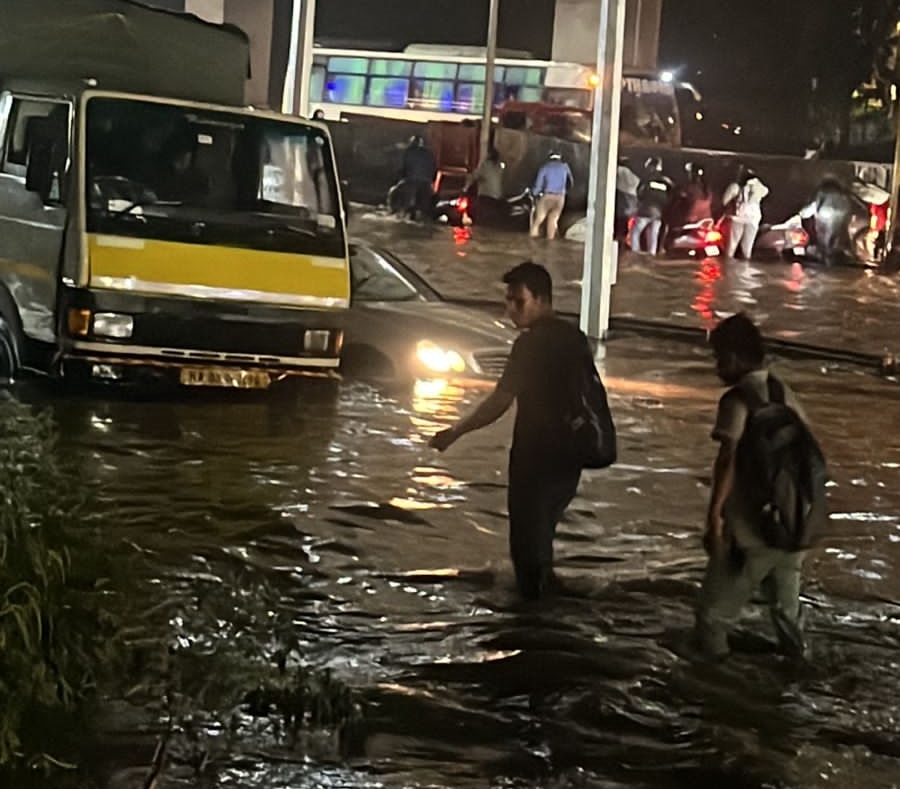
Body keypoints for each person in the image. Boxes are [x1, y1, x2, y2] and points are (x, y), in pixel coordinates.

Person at [429, 262, 594, 599]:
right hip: (570, 461)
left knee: (527, 549)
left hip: (535, 460)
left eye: (518, 301)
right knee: (543, 537)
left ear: (542, 299)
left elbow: (499, 402)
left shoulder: (530, 346)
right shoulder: (574, 338)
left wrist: (456, 431)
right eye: (508, 301)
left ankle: (531, 623)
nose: (510, 310)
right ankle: (549, 605)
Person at [696, 313, 810, 659]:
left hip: (753, 528)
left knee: (712, 618)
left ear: (733, 356)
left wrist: (714, 518)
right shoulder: (785, 392)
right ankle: (797, 673)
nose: (717, 366)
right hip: (796, 521)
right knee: (787, 615)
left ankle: (715, 689)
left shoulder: (737, 400)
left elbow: (728, 460)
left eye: (718, 357)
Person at [722, 166, 769, 259]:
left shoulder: (735, 187)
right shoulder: (759, 187)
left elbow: (724, 201)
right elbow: (766, 191)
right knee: (747, 249)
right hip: (753, 219)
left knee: (732, 246)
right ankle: (745, 269)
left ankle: (727, 269)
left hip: (738, 218)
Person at [630, 156, 673, 255]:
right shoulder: (666, 181)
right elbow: (671, 196)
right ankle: (652, 255)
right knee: (653, 236)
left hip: (646, 211)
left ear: (651, 167)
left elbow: (639, 193)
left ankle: (635, 253)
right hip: (659, 213)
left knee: (635, 232)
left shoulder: (647, 179)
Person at [530, 151, 573, 240]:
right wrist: (565, 191)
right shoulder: (565, 167)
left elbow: (539, 184)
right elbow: (571, 182)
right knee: (553, 219)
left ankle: (531, 239)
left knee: (539, 219)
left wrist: (535, 193)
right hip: (560, 197)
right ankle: (550, 242)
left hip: (548, 196)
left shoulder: (545, 167)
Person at [400, 135, 437, 221]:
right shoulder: (429, 153)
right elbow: (434, 169)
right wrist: (431, 181)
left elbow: (404, 168)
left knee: (407, 206)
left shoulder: (409, 152)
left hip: (412, 182)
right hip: (426, 183)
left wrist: (402, 178)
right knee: (423, 209)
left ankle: (407, 213)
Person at [468, 147, 505, 224]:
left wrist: (465, 188)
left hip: (486, 197)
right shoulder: (499, 167)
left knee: (481, 220)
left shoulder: (485, 165)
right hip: (497, 197)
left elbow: (474, 176)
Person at [615, 156, 640, 240]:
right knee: (625, 221)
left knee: (619, 220)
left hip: (622, 198)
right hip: (632, 200)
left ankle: (618, 238)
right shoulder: (631, 174)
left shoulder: (618, 170)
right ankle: (622, 238)